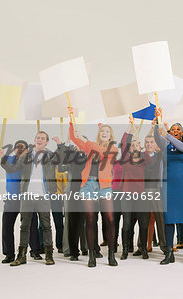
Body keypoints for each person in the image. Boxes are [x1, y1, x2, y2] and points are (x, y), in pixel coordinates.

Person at [0, 131, 58, 266]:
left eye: (43, 138)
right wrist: (2, 159)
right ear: (34, 140)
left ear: (47, 142)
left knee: (46, 226)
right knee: (24, 226)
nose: (40, 140)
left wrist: (60, 145)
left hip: (43, 195)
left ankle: (49, 254)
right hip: (27, 196)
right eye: (38, 138)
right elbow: (12, 169)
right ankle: (21, 256)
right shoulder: (26, 156)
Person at [68, 110, 119, 267]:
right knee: (90, 219)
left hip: (104, 186)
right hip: (88, 185)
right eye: (102, 130)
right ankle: (91, 255)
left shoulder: (113, 149)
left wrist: (86, 139)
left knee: (110, 219)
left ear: (110, 137)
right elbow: (73, 138)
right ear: (99, 134)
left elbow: (102, 152)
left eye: (107, 132)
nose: (104, 133)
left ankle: (111, 254)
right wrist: (72, 121)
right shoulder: (90, 147)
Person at [0, 134, 41, 263]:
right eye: (17, 147)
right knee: (7, 226)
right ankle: (9, 254)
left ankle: (35, 251)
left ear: (27, 150)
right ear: (14, 149)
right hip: (12, 200)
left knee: (32, 225)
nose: (19, 149)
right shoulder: (8, 160)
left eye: (22, 147)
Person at [154, 109, 183, 265]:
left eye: (178, 129)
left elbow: (180, 147)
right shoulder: (165, 147)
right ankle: (169, 253)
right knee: (168, 221)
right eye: (173, 129)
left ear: (182, 133)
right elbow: (158, 139)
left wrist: (168, 135)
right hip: (168, 189)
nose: (175, 131)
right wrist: (156, 124)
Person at [118, 116, 152, 260]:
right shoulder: (125, 158)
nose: (135, 146)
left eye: (137, 145)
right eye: (132, 145)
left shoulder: (145, 157)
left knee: (144, 223)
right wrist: (130, 128)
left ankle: (143, 248)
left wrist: (139, 140)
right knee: (127, 223)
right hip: (127, 195)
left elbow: (147, 150)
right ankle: (125, 249)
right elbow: (123, 142)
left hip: (141, 195)